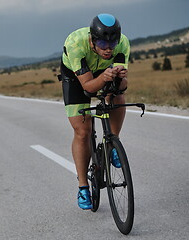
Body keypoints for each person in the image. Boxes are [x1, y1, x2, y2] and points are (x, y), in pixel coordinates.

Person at [59, 13, 130, 210]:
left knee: (118, 96)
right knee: (83, 131)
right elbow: (89, 87)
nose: (108, 49)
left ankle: (112, 144)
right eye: (102, 43)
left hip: (103, 71)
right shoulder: (75, 43)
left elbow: (123, 87)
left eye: (112, 43)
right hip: (76, 78)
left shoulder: (123, 44)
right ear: (92, 39)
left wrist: (120, 79)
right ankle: (83, 187)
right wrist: (106, 77)